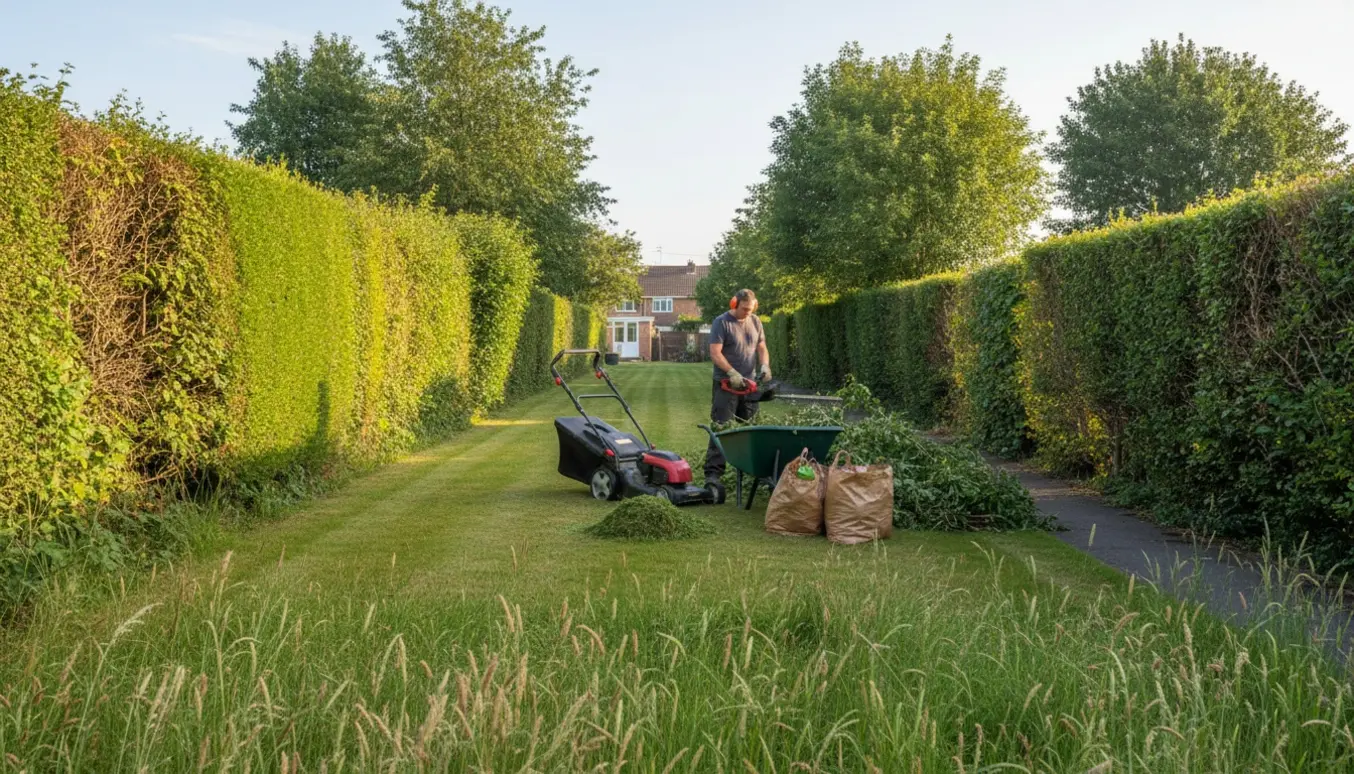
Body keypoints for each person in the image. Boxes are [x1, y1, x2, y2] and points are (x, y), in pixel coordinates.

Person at [704, 288, 772, 482]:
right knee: (722, 428)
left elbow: (761, 347)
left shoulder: (756, 321)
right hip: (726, 385)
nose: (747, 313)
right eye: (744, 309)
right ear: (734, 304)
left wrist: (765, 365)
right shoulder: (721, 322)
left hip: (749, 385)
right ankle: (713, 474)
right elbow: (715, 353)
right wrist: (731, 372)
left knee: (752, 430)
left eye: (750, 309)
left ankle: (754, 473)